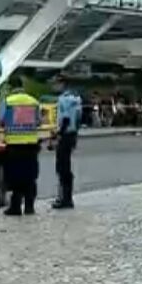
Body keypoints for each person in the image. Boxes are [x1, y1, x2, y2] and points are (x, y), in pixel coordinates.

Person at [2, 77, 42, 216]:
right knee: (30, 177)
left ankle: (16, 207)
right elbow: (38, 122)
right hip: (31, 145)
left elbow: (0, 120)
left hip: (13, 146)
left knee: (15, 177)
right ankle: (30, 207)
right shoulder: (33, 101)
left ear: (11, 88)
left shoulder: (7, 101)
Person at [52, 76, 82, 210]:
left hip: (64, 135)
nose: (54, 86)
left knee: (62, 167)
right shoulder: (76, 99)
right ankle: (68, 197)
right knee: (67, 167)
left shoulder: (63, 100)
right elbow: (79, 118)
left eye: (56, 84)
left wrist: (58, 135)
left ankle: (64, 199)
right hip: (72, 134)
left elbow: (65, 119)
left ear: (62, 84)